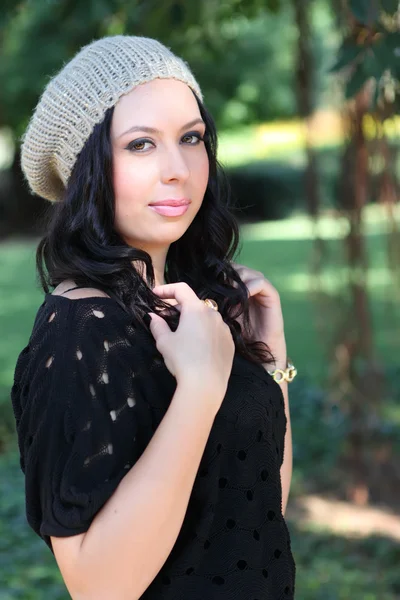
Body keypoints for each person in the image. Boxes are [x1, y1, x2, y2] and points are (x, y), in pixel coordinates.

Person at [11, 35, 297, 599]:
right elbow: (99, 587)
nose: (179, 169)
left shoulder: (196, 309)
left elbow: (260, 507)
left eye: (190, 138)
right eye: (141, 144)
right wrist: (199, 386)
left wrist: (273, 354)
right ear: (84, 170)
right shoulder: (80, 333)